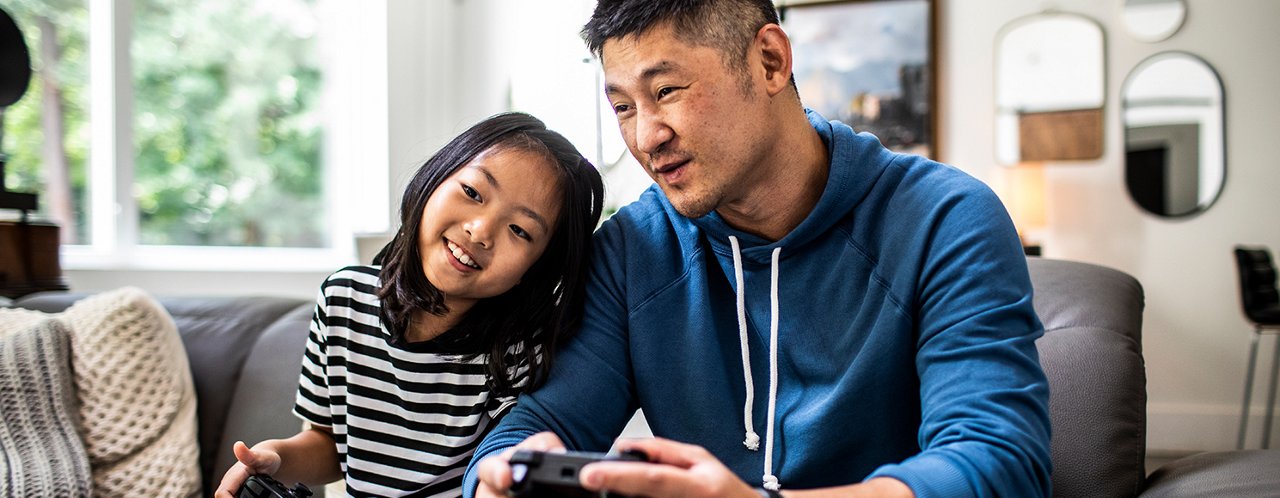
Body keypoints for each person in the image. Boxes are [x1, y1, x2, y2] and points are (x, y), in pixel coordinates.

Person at [465, 1, 1052, 497]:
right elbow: (543, 423)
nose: (645, 137)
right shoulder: (631, 249)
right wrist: (499, 475)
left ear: (770, 61)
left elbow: (997, 461)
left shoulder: (945, 219)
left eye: (665, 90)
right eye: (622, 106)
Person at [213, 112, 604, 498]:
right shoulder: (342, 301)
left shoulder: (518, 348)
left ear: (534, 269)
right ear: (435, 178)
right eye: (472, 192)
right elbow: (329, 445)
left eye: (520, 230)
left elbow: (503, 467)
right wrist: (275, 456)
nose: (480, 231)